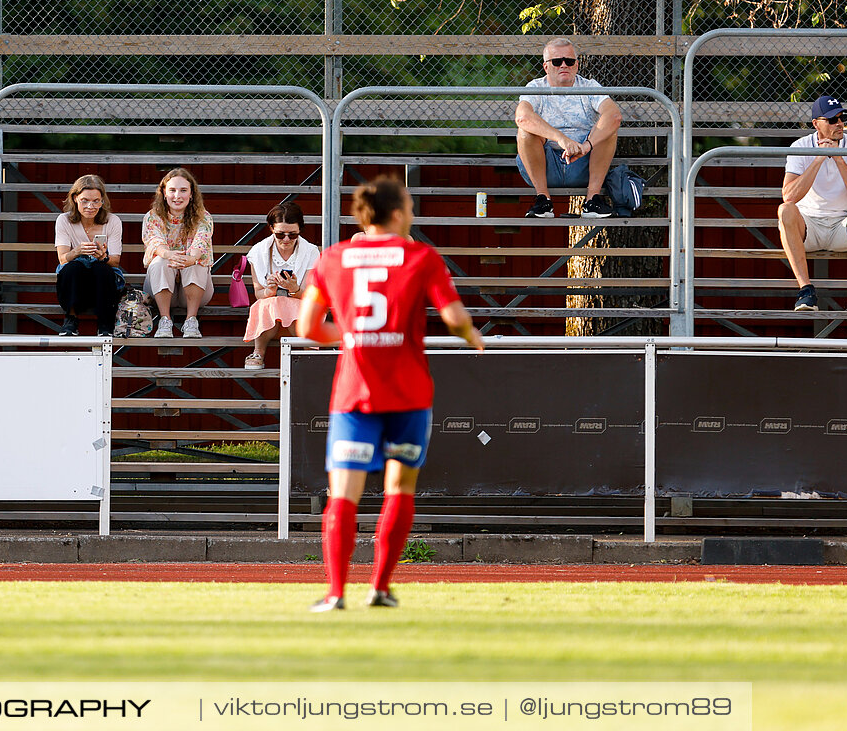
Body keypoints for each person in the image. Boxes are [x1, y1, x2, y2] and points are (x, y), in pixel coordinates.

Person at [297, 176, 484, 612]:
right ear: (398, 213)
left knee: (343, 493)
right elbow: (454, 316)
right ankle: (379, 587)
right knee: (399, 487)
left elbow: (306, 328)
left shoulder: (333, 258)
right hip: (408, 394)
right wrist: (470, 334)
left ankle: (336, 592)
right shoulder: (420, 256)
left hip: (354, 393)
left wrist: (351, 334)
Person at [779, 95, 847, 311]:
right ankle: (805, 291)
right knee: (785, 210)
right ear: (816, 124)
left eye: (842, 118)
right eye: (832, 120)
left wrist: (839, 157)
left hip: (845, 227)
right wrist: (818, 158)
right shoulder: (799, 146)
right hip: (809, 228)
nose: (840, 123)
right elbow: (789, 196)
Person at [514, 36, 624, 218]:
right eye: (557, 61)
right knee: (525, 132)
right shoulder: (535, 87)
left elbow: (614, 115)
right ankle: (543, 200)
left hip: (584, 164)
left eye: (569, 61)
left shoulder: (590, 87)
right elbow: (522, 117)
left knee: (608, 130)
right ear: (546, 67)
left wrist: (586, 145)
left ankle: (592, 201)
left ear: (577, 65)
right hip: (545, 166)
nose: (564, 65)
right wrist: (561, 139)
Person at [241, 202, 320, 369]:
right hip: (271, 311)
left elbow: (309, 295)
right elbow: (258, 294)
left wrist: (294, 289)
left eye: (292, 235)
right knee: (266, 303)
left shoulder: (311, 251)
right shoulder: (258, 251)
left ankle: (310, 352)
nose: (286, 239)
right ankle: (258, 352)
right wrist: (270, 290)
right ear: (271, 229)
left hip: (298, 307)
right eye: (280, 234)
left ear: (300, 231)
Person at [142, 167, 214, 339]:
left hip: (196, 291)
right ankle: (164, 320)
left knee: (195, 263)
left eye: (183, 190)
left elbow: (200, 243)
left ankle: (191, 320)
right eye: (172, 190)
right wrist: (170, 255)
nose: (177, 196)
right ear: (164, 193)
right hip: (159, 289)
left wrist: (191, 258)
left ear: (191, 194)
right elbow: (155, 242)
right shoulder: (152, 217)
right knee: (160, 261)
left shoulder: (204, 217)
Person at [53, 174, 123, 336]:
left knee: (102, 268)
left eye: (96, 201)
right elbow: (62, 258)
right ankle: (71, 318)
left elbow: (115, 262)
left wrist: (103, 257)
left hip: (103, 282)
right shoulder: (64, 220)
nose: (90, 206)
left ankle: (105, 323)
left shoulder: (112, 221)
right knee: (73, 267)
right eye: (85, 200)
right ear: (75, 198)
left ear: (102, 201)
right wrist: (77, 251)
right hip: (76, 281)